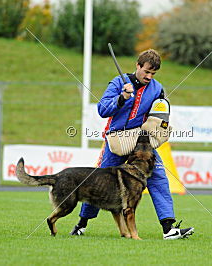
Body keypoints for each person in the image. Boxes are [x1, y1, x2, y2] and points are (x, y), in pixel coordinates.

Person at [70, 49, 194, 240]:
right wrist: (122, 98)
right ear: (138, 65)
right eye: (146, 71)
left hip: (141, 143)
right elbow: (102, 109)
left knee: (159, 177)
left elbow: (159, 113)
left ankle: (168, 229)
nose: (149, 76)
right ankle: (82, 224)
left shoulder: (157, 88)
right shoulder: (118, 82)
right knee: (99, 183)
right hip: (117, 142)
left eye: (153, 73)